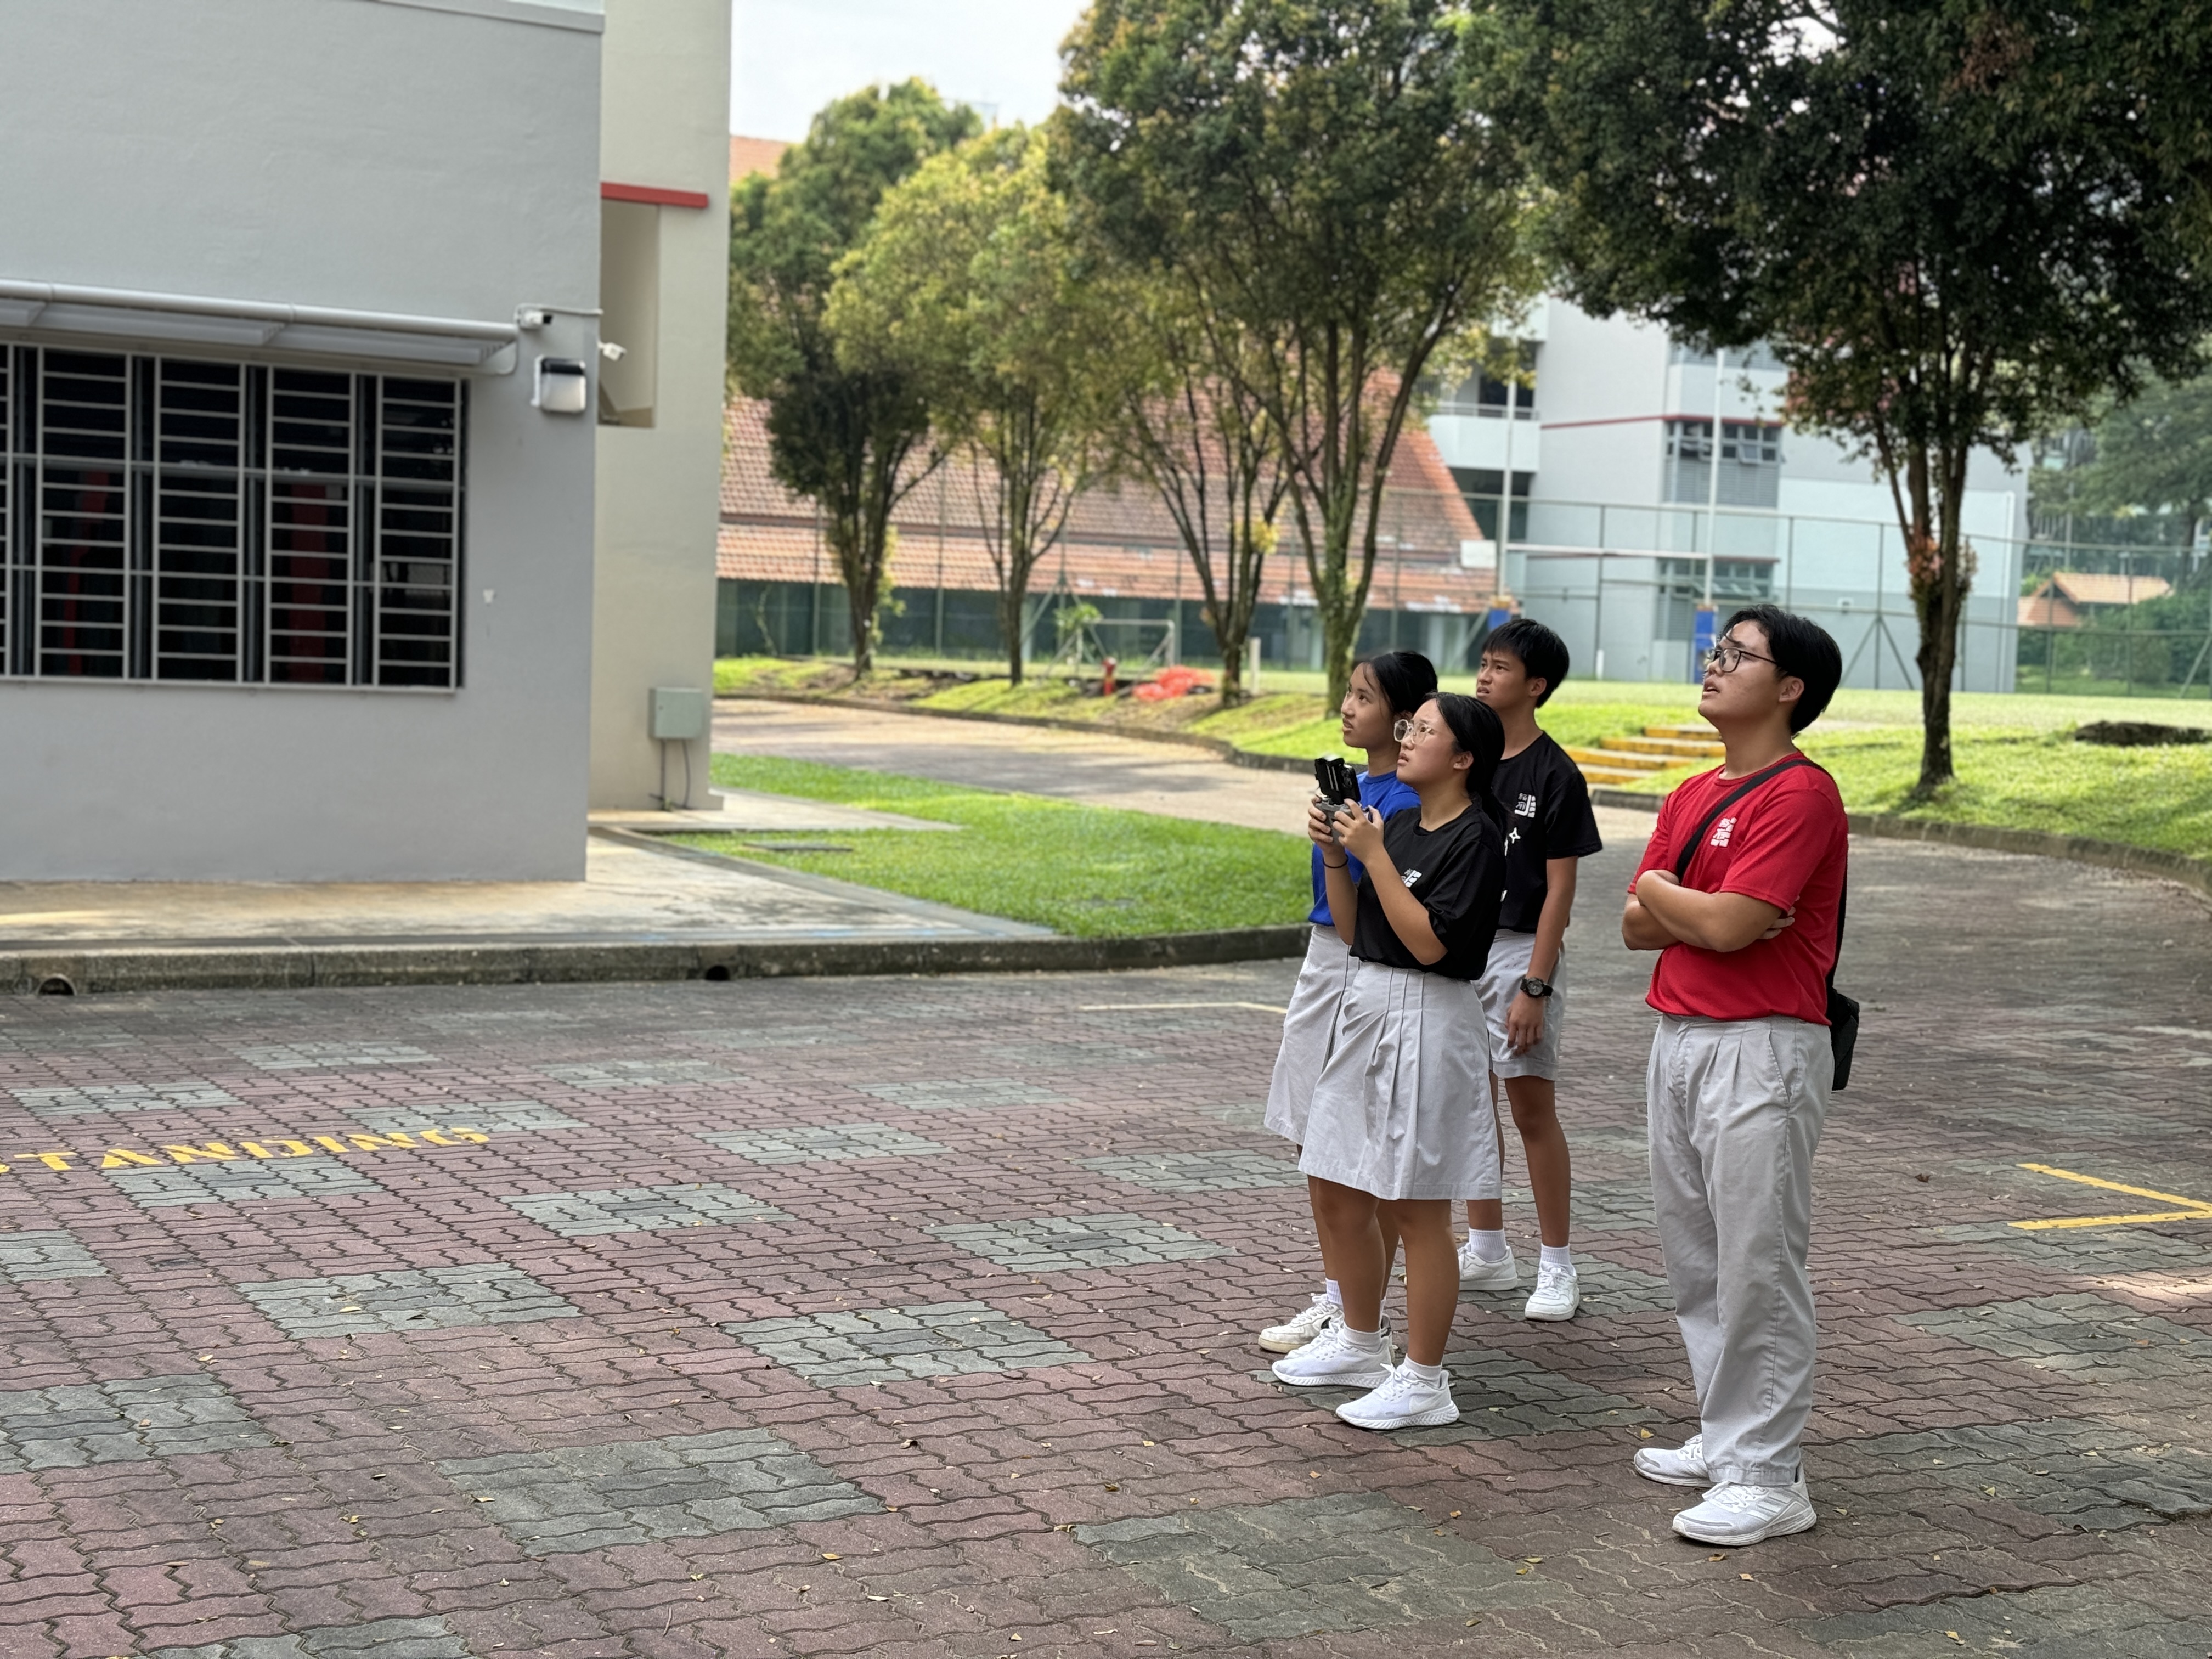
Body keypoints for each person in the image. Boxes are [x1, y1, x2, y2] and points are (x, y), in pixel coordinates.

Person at [1621, 604, 1847, 1548]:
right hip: (1679, 1033)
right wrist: (1697, 904)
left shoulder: (1800, 794)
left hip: (1762, 1044)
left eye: (1736, 655)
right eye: (1715, 651)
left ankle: (1768, 1472)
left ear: (1788, 686)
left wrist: (1679, 899)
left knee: (1757, 1256)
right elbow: (1637, 924)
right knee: (1697, 1252)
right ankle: (1726, 1435)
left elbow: (1710, 922)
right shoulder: (1691, 790)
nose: (1713, 666)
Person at [1271, 693, 1508, 1431]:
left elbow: (1434, 943)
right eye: (1410, 727)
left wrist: (1373, 857)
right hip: (1368, 999)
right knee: (1335, 1176)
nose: (1408, 738)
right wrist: (1338, 857)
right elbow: (1352, 927)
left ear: (1464, 758)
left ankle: (1425, 1377)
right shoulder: (1398, 823)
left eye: (1426, 731)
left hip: (1429, 1013)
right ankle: (1358, 1341)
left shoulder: (1478, 836)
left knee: (1417, 1204)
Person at [1257, 651, 1437, 1356]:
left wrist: (1348, 844)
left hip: (1364, 965)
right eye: (1348, 692)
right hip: (1323, 960)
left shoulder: (1401, 801)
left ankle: (1357, 1310)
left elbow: (1376, 911)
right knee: (1313, 1137)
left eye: (1363, 697)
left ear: (1401, 718)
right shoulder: (1357, 787)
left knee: (1353, 1145)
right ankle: (1340, 1297)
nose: (1347, 705)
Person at [1464, 618, 1604, 1319]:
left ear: (1536, 686)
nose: (1484, 677)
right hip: (1460, 951)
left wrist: (1535, 986)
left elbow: (1561, 893)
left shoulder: (1555, 773)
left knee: (1531, 1109)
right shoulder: (1466, 758)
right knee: (1468, 1103)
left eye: (1499, 667)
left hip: (1522, 953)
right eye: (1483, 664)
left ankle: (1558, 1266)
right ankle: (1486, 1248)